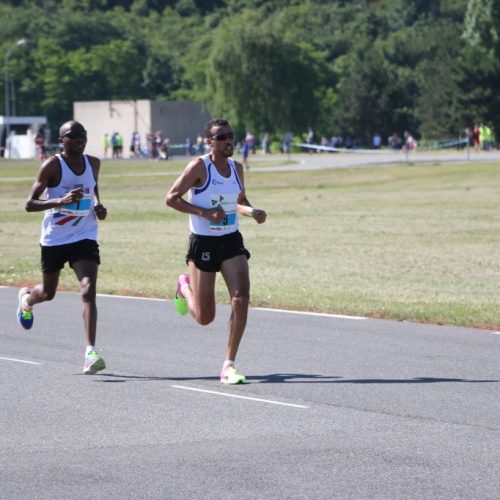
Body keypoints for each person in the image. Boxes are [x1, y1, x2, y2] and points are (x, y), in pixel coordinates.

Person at [165, 118, 267, 385]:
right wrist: (205, 213)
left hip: (231, 240)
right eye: (221, 137)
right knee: (204, 317)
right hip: (204, 242)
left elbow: (239, 201)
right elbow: (171, 198)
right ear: (210, 142)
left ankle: (228, 365)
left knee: (241, 297)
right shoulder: (199, 167)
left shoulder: (237, 168)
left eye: (230, 135)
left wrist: (252, 211)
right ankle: (184, 286)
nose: (228, 141)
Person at [16, 120, 108, 374]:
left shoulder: (93, 163)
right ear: (61, 140)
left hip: (84, 235)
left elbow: (93, 187)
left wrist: (98, 206)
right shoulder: (52, 166)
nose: (80, 139)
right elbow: (29, 204)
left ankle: (90, 352)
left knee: (88, 288)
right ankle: (26, 299)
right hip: (55, 238)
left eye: (83, 135)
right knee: (48, 293)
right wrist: (61, 200)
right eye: (74, 135)